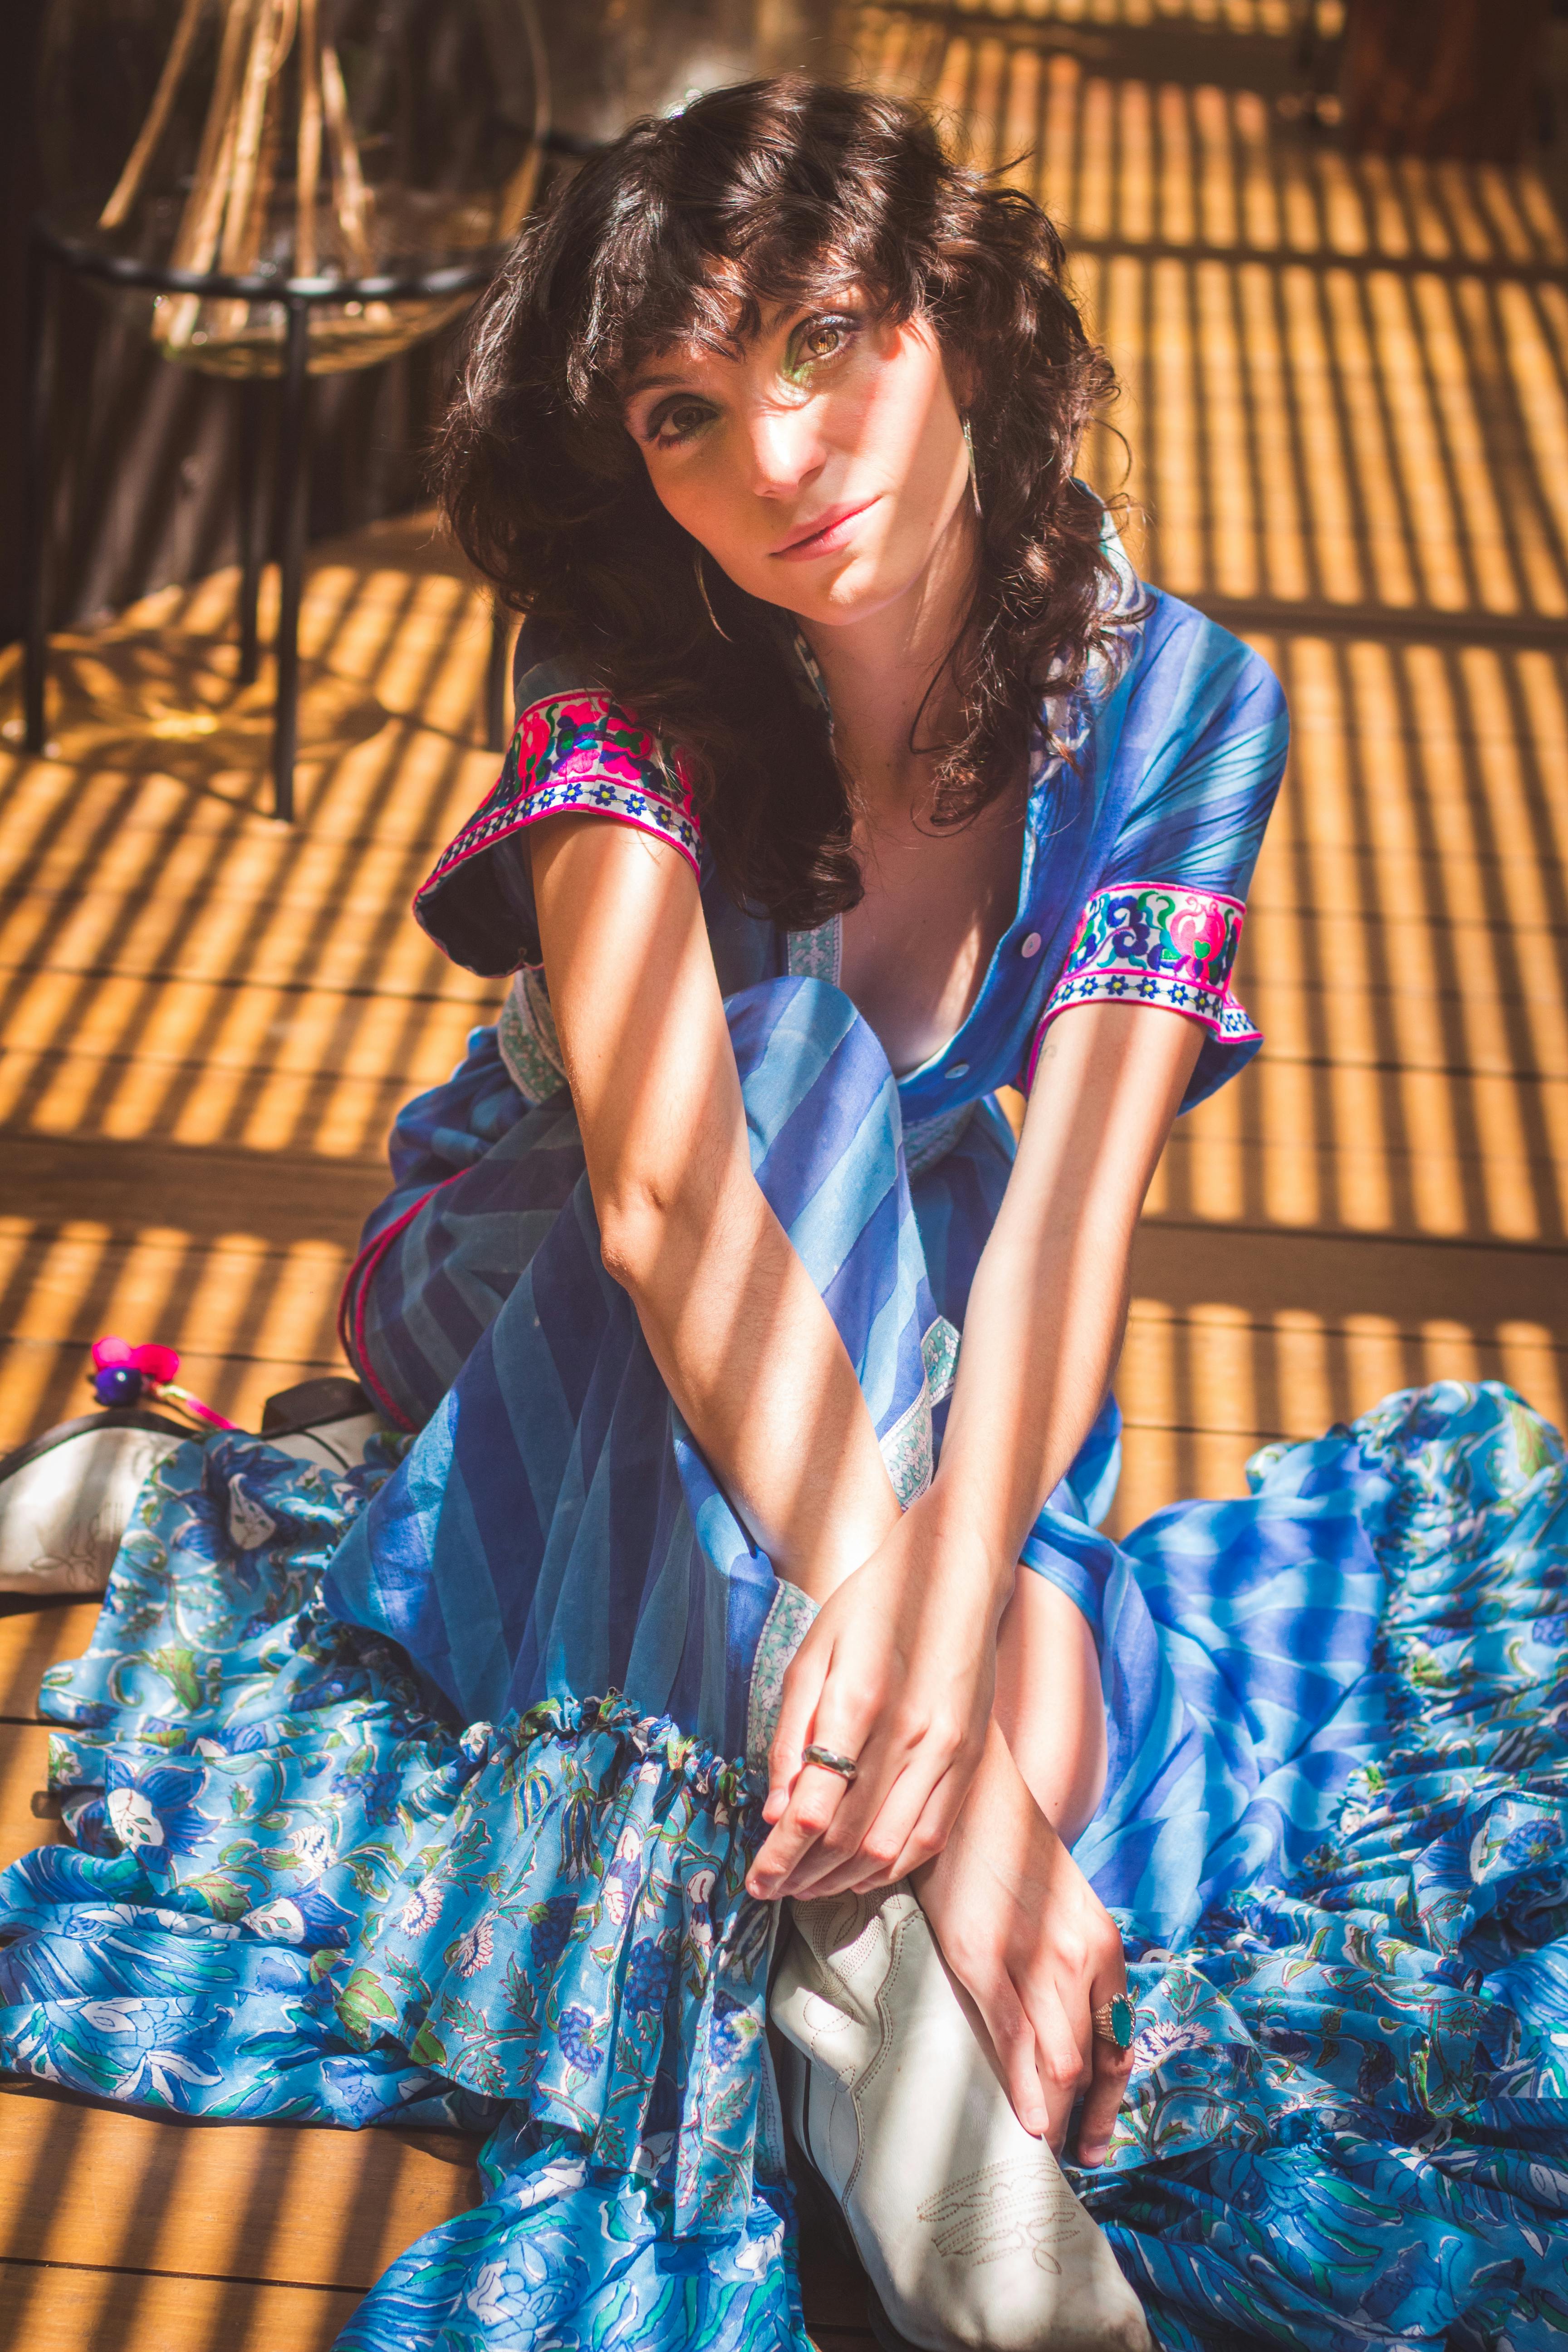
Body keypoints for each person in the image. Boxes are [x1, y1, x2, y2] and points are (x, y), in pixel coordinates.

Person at [2, 75, 1566, 2352]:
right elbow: (658, 1196)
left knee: (1037, 1651)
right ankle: (876, 1985)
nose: (775, 457)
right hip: (546, 1266)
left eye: (828, 339)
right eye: (686, 409)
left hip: (914, 1320)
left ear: (965, 306)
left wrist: (949, 1622)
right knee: (803, 1075)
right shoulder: (613, 662)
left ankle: (778, 1879)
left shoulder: (1193, 703)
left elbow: (1068, 1225)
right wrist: (972, 1824)